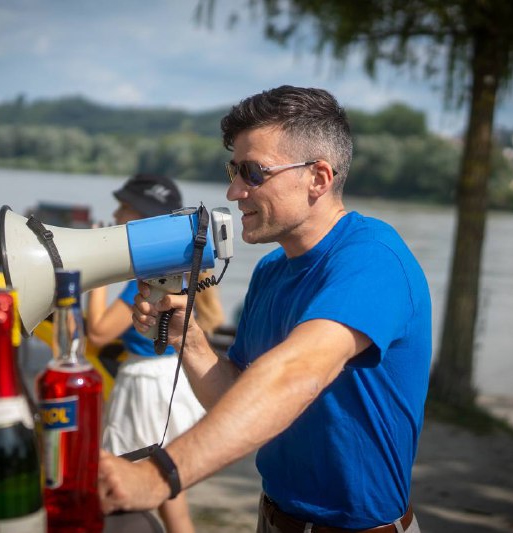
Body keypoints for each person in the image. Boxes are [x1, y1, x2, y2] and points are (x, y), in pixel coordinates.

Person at [97, 86, 431, 532]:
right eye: (233, 170)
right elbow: (238, 396)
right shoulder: (272, 269)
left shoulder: (373, 258)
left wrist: (159, 475)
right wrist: (190, 342)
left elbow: (297, 372)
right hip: (272, 519)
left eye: (253, 172)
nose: (234, 192)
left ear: (319, 177)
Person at [87, 173, 223, 533]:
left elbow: (99, 332)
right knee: (168, 494)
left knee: (132, 490)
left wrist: (95, 273)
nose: (115, 215)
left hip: (146, 389)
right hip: (168, 382)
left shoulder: (148, 277)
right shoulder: (175, 265)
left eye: (124, 208)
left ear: (140, 219)